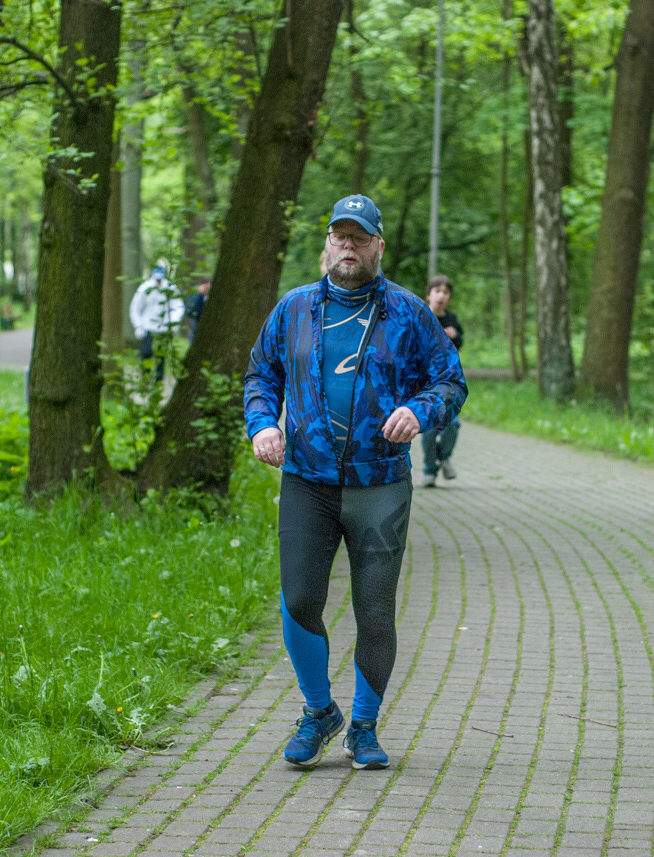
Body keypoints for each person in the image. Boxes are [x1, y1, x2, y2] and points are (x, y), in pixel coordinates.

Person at [244, 194, 467, 770]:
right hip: (307, 482)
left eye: (359, 238)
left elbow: (449, 382)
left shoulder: (410, 313)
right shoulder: (293, 309)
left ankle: (363, 727)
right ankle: (319, 712)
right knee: (299, 600)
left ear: (378, 246)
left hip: (380, 484)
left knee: (374, 610)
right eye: (339, 236)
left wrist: (421, 411)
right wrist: (263, 423)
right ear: (326, 245)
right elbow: (260, 374)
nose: (348, 247)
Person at [419, 274, 464, 487]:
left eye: (445, 292)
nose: (441, 296)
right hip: (424, 381)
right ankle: (430, 468)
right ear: (429, 295)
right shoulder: (421, 315)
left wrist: (454, 336)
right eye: (437, 291)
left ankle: (444, 457)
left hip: (447, 380)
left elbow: (459, 344)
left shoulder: (452, 320)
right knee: (429, 428)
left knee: (452, 424)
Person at [129, 264, 184, 382]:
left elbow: (178, 306)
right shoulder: (145, 288)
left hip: (163, 328)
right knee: (146, 353)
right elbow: (135, 308)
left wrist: (173, 323)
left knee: (161, 355)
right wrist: (138, 326)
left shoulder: (170, 288)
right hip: (147, 327)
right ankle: (146, 377)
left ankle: (158, 381)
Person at [185, 277, 210, 342]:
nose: (207, 290)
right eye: (205, 287)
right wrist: (200, 295)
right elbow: (190, 312)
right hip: (197, 324)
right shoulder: (196, 295)